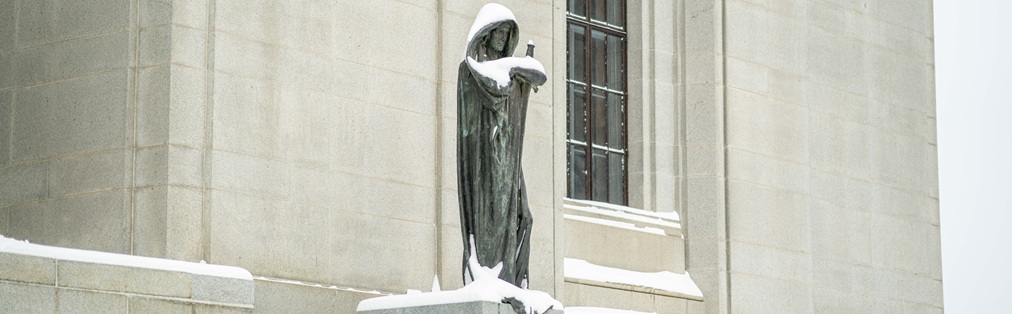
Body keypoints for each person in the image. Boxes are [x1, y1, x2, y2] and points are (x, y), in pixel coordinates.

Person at [456, 3, 546, 289]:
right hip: (485, 161)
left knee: (524, 217)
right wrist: (519, 66)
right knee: (491, 221)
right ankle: (491, 274)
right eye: (499, 31)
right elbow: (493, 80)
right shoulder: (472, 70)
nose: (502, 37)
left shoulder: (508, 69)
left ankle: (511, 280)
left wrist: (520, 67)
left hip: (508, 159)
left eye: (508, 32)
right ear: (488, 33)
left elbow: (539, 75)